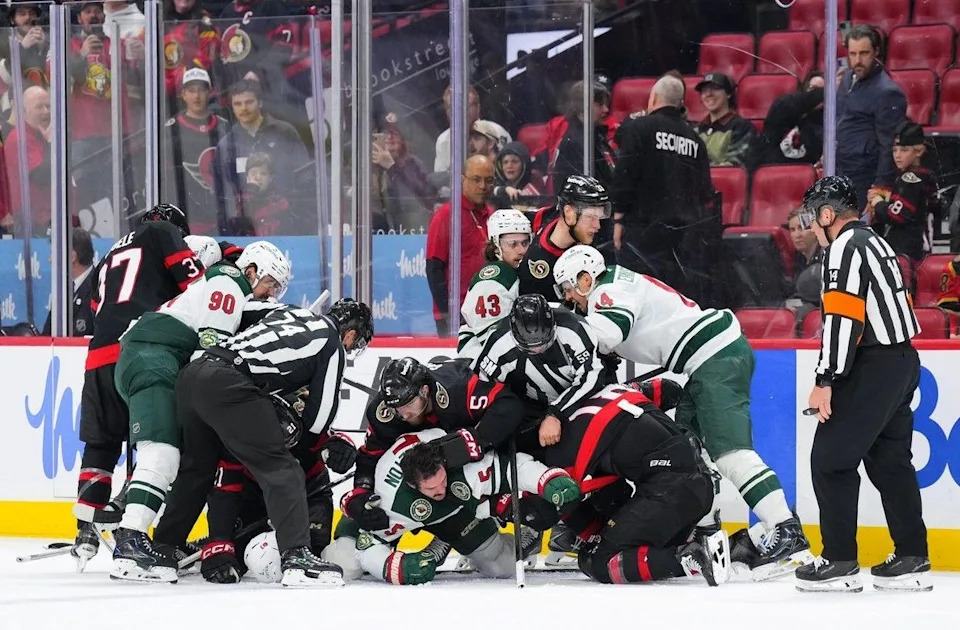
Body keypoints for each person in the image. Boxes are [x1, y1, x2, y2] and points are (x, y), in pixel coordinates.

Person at [552, 244, 811, 579]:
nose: (569, 299)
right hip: (706, 360)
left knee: (730, 454)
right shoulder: (616, 284)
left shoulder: (608, 291)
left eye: (569, 289)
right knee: (690, 455)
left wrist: (561, 329)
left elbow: (605, 335)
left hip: (714, 357)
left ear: (585, 278)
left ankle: (787, 531)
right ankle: (706, 535)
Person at [109, 241, 290, 582]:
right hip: (154, 358)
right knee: (161, 451)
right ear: (251, 271)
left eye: (277, 289)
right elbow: (208, 355)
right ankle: (130, 540)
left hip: (155, 359)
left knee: (175, 454)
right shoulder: (230, 281)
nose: (271, 294)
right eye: (270, 284)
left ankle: (141, 537)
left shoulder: (227, 287)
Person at [163, 300, 373, 587]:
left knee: (197, 469)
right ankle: (297, 557)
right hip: (230, 383)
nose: (350, 348)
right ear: (350, 333)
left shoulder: (288, 311)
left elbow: (242, 311)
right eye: (356, 343)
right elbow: (318, 419)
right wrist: (311, 445)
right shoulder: (332, 343)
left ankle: (164, 548)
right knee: (282, 469)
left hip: (195, 372)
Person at [795, 175, 930, 593]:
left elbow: (842, 320)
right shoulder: (876, 242)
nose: (810, 226)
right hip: (902, 360)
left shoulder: (843, 248)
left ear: (827, 214)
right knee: (890, 462)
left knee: (830, 460)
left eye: (813, 216)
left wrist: (826, 379)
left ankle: (839, 561)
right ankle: (912, 555)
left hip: (873, 365)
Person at [70, 204, 204, 570]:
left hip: (98, 356)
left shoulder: (109, 255)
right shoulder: (163, 233)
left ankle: (86, 530)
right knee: (154, 440)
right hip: (141, 349)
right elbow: (196, 286)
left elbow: (97, 307)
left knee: (101, 443)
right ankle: (130, 517)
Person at [324, 428, 581, 584]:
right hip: (385, 514)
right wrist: (394, 568)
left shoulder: (459, 462)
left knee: (501, 566)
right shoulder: (392, 500)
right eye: (431, 488)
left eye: (442, 481)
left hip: (453, 512)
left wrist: (547, 478)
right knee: (344, 564)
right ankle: (441, 541)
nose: (441, 490)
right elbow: (366, 543)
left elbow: (512, 468)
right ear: (413, 485)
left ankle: (455, 536)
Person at [537, 383, 729, 586]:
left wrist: (593, 536)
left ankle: (693, 556)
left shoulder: (561, 447)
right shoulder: (612, 389)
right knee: (640, 545)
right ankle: (728, 544)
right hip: (698, 487)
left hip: (669, 493)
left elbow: (555, 506)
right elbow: (670, 389)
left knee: (598, 560)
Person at [342, 356, 531, 533]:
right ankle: (443, 530)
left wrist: (474, 441)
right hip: (429, 473)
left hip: (478, 460)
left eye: (408, 404)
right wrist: (360, 492)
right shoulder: (384, 413)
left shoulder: (456, 388)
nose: (403, 414)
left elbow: (509, 405)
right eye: (396, 408)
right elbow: (370, 456)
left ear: (424, 391)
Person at [611, 74, 716, 306]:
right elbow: (704, 191)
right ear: (680, 104)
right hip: (682, 238)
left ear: (654, 98)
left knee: (640, 298)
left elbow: (624, 176)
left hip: (643, 234)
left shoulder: (640, 128)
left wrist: (617, 219)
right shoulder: (695, 140)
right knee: (673, 301)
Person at [473, 294, 606, 450]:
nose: (537, 349)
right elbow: (480, 388)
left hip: (581, 400)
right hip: (532, 406)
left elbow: (592, 376)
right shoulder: (498, 342)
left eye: (543, 343)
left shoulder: (574, 328)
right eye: (529, 346)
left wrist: (556, 413)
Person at [836, 25, 907, 213]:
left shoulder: (887, 92)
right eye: (853, 54)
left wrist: (880, 188)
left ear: (876, 51)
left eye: (864, 53)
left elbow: (889, 145)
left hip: (864, 179)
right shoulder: (846, 80)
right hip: (840, 171)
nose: (857, 61)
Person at [425, 155, 496, 337]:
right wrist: (448, 313)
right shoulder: (446, 215)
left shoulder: (493, 216)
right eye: (476, 179)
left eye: (488, 180)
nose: (483, 186)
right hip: (456, 313)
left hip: (488, 311)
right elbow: (434, 268)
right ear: (463, 180)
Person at [518, 175, 612, 299]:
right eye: (590, 217)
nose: (597, 226)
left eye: (599, 217)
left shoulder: (550, 215)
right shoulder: (536, 265)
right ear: (568, 213)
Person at [457, 209, 532, 360]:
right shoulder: (496, 278)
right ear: (496, 245)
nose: (522, 251)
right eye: (513, 244)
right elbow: (494, 342)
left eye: (525, 243)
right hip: (482, 360)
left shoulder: (518, 271)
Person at [867, 120, 937, 265]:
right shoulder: (924, 175)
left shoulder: (911, 179)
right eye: (895, 150)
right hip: (917, 249)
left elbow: (895, 216)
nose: (897, 155)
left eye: (904, 150)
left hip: (907, 253)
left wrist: (878, 202)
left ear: (918, 151)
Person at [752, 72, 825, 169]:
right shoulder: (784, 107)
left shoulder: (825, 122)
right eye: (813, 89)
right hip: (775, 169)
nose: (815, 95)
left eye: (819, 91)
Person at [41, 228, 97, 337]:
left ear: (72, 257)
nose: (50, 260)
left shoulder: (99, 288)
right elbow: (47, 335)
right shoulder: (63, 289)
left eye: (53, 253)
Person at [694, 72, 756, 167]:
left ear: (728, 94)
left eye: (715, 88)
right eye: (704, 90)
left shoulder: (742, 127)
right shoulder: (696, 129)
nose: (709, 94)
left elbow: (734, 165)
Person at [490, 142, 541, 212]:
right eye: (505, 162)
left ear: (524, 164)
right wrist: (505, 189)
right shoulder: (495, 184)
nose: (509, 166)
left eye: (514, 161)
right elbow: (489, 192)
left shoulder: (534, 184)